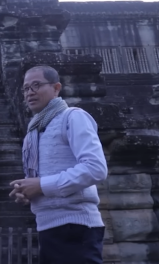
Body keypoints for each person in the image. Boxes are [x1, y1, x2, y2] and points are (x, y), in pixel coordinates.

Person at [9, 65, 108, 264]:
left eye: (36, 85)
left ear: (56, 88)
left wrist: (41, 185)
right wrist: (27, 192)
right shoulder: (34, 131)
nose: (30, 92)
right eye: (26, 88)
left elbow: (96, 168)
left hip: (76, 226)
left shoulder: (72, 116)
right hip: (47, 225)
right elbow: (40, 178)